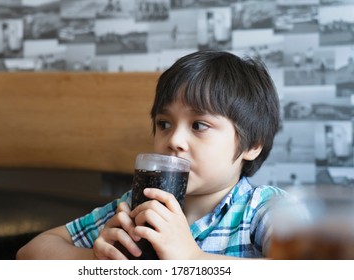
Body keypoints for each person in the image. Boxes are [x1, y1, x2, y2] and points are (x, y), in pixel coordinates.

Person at [17, 50, 287, 260]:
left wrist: (193, 259)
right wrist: (96, 260)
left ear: (253, 144)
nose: (175, 140)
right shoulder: (139, 205)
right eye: (164, 124)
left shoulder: (262, 208)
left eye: (199, 125)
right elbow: (29, 253)